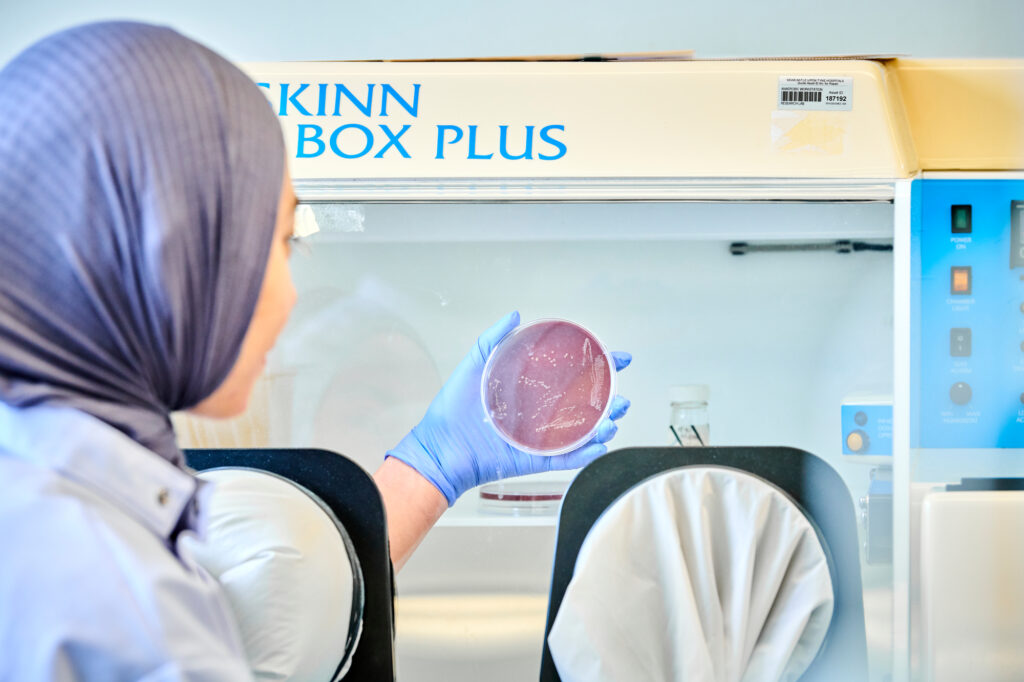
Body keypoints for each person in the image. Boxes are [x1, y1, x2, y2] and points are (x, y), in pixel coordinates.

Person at [0, 21, 630, 680]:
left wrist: (433, 466)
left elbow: (276, 610)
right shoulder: (99, 589)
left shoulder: (53, 497)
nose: (292, 295)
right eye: (280, 242)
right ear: (172, 252)